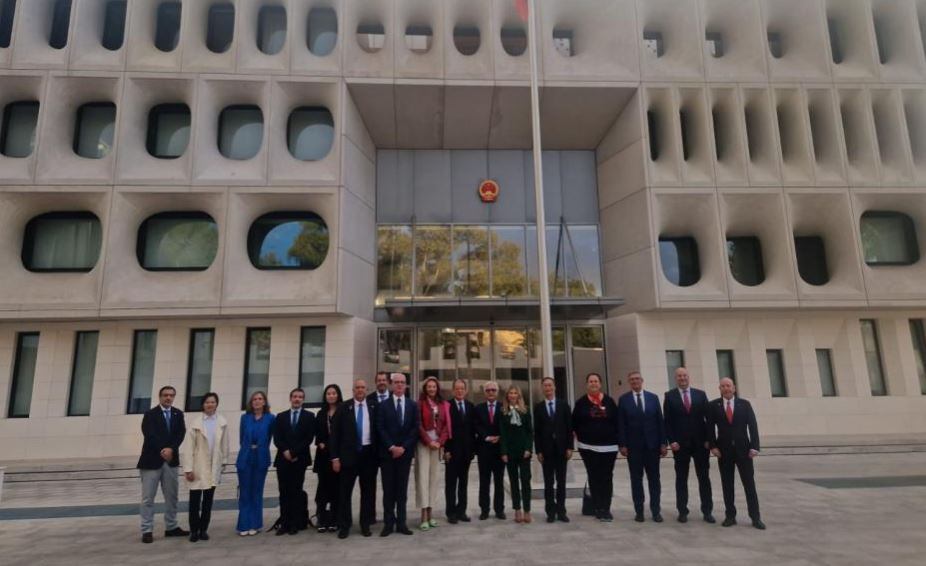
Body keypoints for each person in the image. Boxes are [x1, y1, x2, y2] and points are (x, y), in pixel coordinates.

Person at [708, 377, 765, 530]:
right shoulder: (714, 406)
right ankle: (730, 516)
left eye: (728, 386)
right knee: (727, 485)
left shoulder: (744, 404)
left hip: (744, 451)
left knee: (749, 484)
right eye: (723, 386)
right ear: (719, 389)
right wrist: (713, 446)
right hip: (723, 452)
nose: (726, 388)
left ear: (734, 388)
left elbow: (752, 426)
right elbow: (710, 428)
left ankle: (755, 517)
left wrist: (755, 446)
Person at [137, 385, 189, 544]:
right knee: (148, 498)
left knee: (172, 497)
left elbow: (181, 434)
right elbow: (149, 434)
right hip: (151, 461)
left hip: (170, 461)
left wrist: (171, 449)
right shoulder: (150, 414)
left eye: (171, 395)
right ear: (160, 397)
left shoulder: (178, 414)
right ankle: (147, 530)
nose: (168, 398)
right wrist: (163, 449)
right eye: (165, 395)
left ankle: (171, 527)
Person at [663, 367, 715, 524]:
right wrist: (672, 441)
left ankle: (707, 511)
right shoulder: (669, 396)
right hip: (680, 446)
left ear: (688, 377)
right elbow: (667, 421)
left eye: (684, 375)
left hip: (701, 444)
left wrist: (709, 440)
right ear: (675, 378)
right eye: (679, 376)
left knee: (704, 478)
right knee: (681, 479)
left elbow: (709, 419)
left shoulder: (700, 395)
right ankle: (682, 511)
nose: (682, 378)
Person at [618, 371, 668, 523]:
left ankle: (656, 511)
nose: (635, 381)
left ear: (642, 380)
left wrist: (663, 443)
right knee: (636, 480)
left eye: (637, 379)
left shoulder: (653, 398)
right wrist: (622, 444)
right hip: (633, 448)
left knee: (654, 480)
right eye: (632, 379)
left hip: (652, 447)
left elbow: (660, 421)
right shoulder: (624, 400)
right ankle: (639, 511)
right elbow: (621, 424)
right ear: (629, 382)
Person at [331, 379, 377, 539]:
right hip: (348, 456)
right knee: (345, 492)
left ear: (366, 389)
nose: (360, 390)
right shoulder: (343, 408)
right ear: (353, 390)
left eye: (363, 387)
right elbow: (335, 434)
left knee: (368, 492)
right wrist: (335, 458)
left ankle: (365, 524)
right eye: (357, 387)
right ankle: (345, 525)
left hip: (368, 455)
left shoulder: (373, 406)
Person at [181, 392, 229, 542]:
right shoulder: (196, 423)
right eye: (207, 402)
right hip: (198, 466)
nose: (210, 404)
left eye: (213, 402)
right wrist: (188, 468)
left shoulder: (222, 422)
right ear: (203, 404)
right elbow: (188, 447)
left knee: (208, 501)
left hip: (213, 465)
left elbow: (225, 444)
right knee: (194, 501)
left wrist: (224, 462)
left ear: (216, 404)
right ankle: (194, 531)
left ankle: (203, 530)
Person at [571, 372, 620, 522]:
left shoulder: (609, 401)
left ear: (600, 384)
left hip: (609, 448)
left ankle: (606, 508)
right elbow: (574, 423)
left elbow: (617, 421)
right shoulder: (581, 403)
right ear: (587, 384)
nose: (593, 383)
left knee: (607, 477)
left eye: (596, 381)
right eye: (591, 381)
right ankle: (597, 507)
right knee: (593, 476)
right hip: (588, 448)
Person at [375, 372, 419, 536]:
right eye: (397, 382)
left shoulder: (412, 405)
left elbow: (415, 428)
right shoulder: (383, 405)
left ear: (406, 385)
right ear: (391, 385)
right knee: (388, 490)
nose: (400, 385)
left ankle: (401, 523)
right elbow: (380, 428)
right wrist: (392, 447)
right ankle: (388, 524)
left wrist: (403, 448)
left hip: (404, 455)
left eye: (402, 382)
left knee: (402, 490)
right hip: (387, 455)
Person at [273, 388, 316, 536]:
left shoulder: (309, 416)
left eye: (300, 397)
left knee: (296, 491)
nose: (297, 399)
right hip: (283, 460)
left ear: (303, 400)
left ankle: (294, 523)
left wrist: (294, 452)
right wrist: (285, 451)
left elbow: (309, 438)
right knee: (283, 491)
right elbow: (277, 437)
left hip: (299, 460)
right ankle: (284, 523)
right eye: (295, 397)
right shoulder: (281, 416)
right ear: (290, 398)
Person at [533, 377, 573, 523]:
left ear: (554, 387)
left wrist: (570, 447)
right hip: (546, 451)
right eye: (545, 386)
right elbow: (537, 431)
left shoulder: (563, 405)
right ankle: (550, 512)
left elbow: (569, 428)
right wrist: (538, 451)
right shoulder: (538, 407)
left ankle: (561, 511)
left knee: (561, 482)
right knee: (548, 483)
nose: (548, 388)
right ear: (542, 388)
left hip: (562, 450)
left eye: (550, 385)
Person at [236, 391, 275, 536]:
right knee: (245, 492)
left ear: (264, 402)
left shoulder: (270, 418)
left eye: (260, 399)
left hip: (261, 457)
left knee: (257, 491)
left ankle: (255, 524)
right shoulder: (245, 418)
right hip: (245, 457)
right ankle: (243, 524)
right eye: (254, 399)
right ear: (251, 403)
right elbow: (242, 438)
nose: (257, 401)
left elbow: (270, 437)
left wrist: (260, 448)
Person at [415, 376, 450, 531]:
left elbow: (446, 426)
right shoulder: (420, 404)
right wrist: (429, 441)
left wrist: (440, 442)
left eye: (434, 386)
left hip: (437, 445)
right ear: (425, 388)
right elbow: (418, 425)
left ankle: (431, 513)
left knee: (434, 479)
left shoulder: (443, 404)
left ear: (437, 388)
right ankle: (423, 514)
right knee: (423, 478)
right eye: (429, 386)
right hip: (424, 444)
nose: (431, 389)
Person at [499, 385, 533, 524]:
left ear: (519, 395)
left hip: (524, 452)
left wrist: (528, 449)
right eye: (510, 393)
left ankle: (527, 510)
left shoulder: (525, 411)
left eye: (515, 393)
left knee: (525, 481)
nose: (513, 395)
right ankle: (517, 509)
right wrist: (504, 452)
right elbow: (502, 433)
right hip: (510, 452)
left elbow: (529, 432)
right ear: (507, 396)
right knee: (513, 482)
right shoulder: (503, 412)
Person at [444, 379, 476, 524]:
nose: (460, 391)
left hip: (466, 452)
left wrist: (473, 451)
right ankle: (451, 513)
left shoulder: (470, 406)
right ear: (453, 390)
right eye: (457, 388)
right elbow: (444, 429)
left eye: (462, 388)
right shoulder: (447, 406)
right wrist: (446, 450)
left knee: (463, 483)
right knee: (451, 484)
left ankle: (461, 511)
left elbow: (472, 430)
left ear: (466, 390)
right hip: (452, 452)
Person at [314, 384, 343, 533]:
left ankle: (335, 518)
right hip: (323, 456)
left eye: (334, 393)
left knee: (336, 488)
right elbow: (317, 434)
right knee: (323, 488)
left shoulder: (344, 411)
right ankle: (322, 517)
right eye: (328, 393)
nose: (331, 396)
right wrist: (321, 442)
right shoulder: (321, 413)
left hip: (338, 456)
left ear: (338, 395)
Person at [475, 381, 506, 520]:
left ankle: (499, 510)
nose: (491, 392)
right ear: (484, 392)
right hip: (484, 450)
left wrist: (499, 437)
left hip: (499, 450)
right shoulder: (478, 408)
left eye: (493, 390)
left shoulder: (503, 407)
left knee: (499, 481)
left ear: (497, 392)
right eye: (488, 390)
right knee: (484, 481)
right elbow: (476, 426)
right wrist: (487, 437)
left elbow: (506, 426)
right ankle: (484, 510)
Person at [366, 371, 392, 524]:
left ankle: (390, 516)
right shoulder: (369, 399)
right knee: (370, 485)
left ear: (388, 382)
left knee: (389, 485)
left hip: (390, 449)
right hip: (373, 449)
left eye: (384, 380)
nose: (381, 382)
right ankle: (370, 516)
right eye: (379, 380)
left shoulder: (395, 397)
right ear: (376, 382)